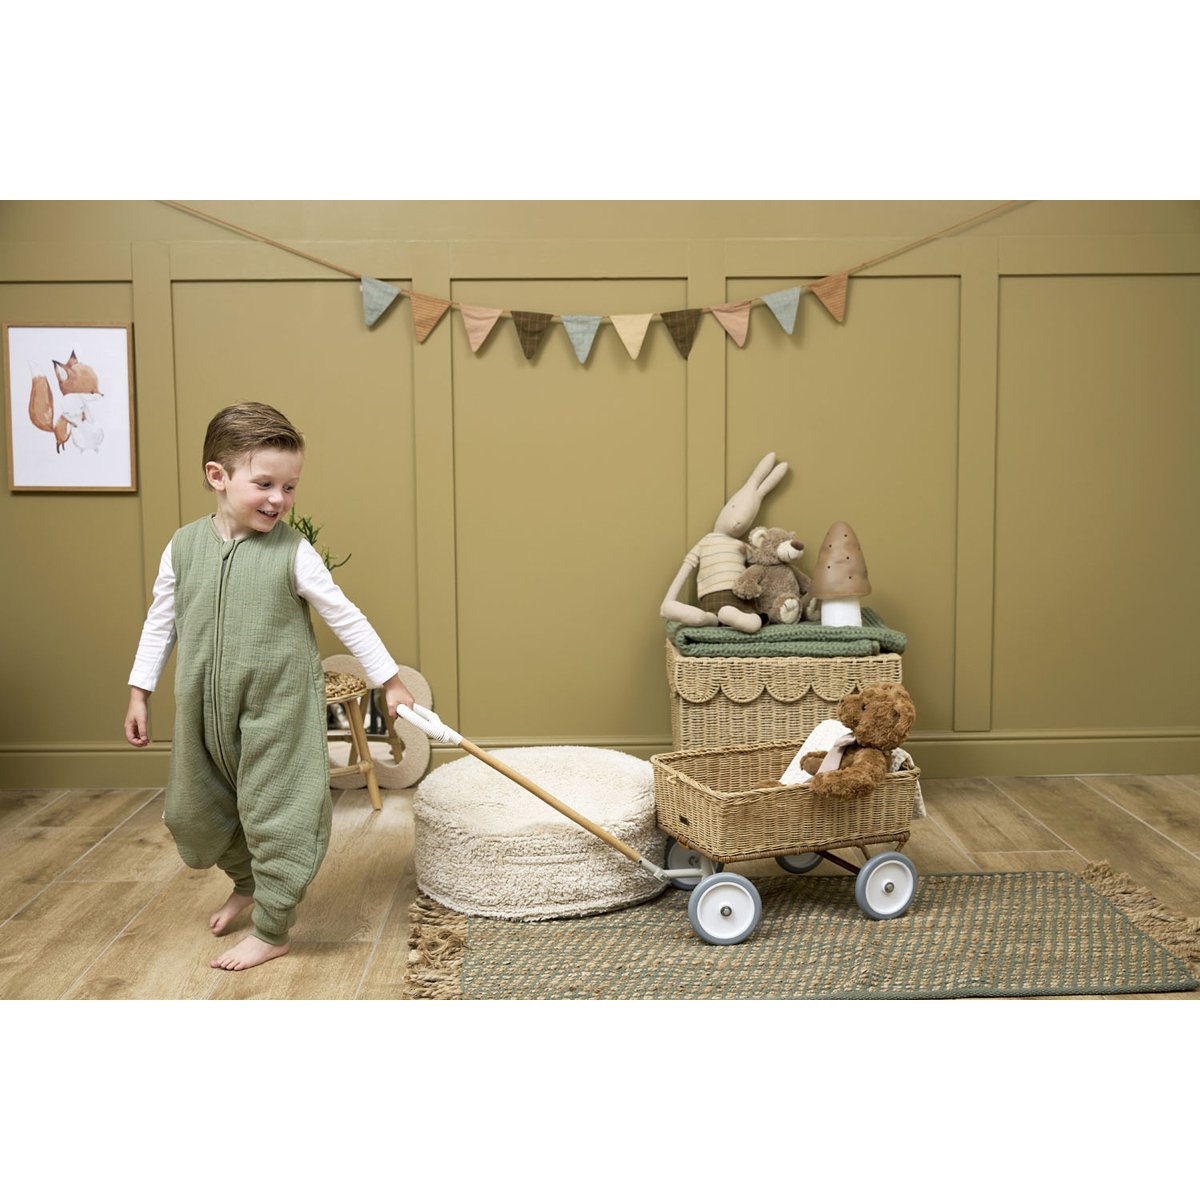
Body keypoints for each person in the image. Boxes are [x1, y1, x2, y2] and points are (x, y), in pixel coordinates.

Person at [124, 403, 414, 972]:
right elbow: (161, 623)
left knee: (276, 818)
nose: (279, 499)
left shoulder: (292, 552)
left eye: (289, 486)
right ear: (218, 476)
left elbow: (346, 615)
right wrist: (140, 692)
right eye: (265, 484)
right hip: (202, 714)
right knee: (191, 813)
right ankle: (248, 882)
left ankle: (273, 928)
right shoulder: (182, 548)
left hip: (276, 713)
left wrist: (391, 681)